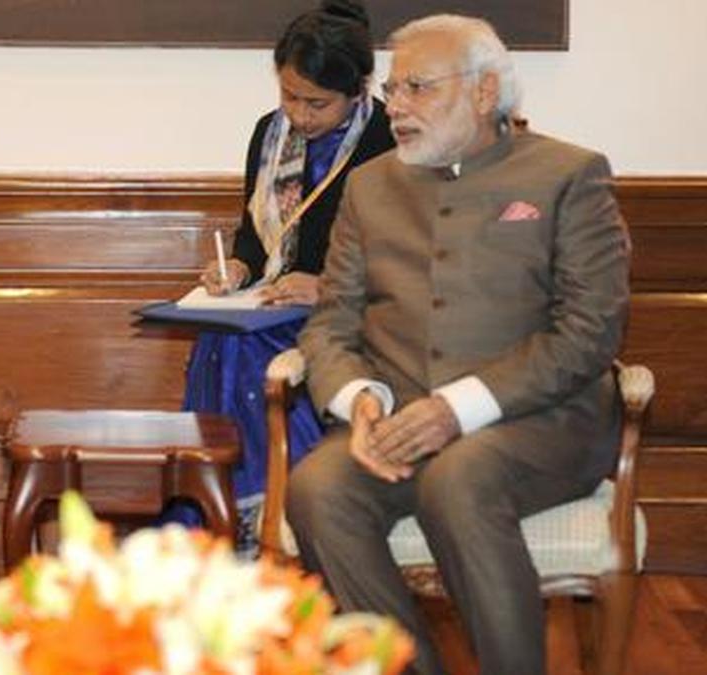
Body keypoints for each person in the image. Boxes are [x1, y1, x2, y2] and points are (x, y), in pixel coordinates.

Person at [285, 14, 630, 675]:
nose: (397, 107)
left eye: (418, 87)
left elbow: (590, 331)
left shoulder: (568, 174)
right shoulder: (370, 185)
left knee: (459, 477)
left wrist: (455, 409)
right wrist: (362, 401)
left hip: (541, 422)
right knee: (319, 488)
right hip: (400, 416)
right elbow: (331, 322)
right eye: (392, 90)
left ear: (483, 90)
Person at [177, 0, 394, 555]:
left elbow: (404, 257)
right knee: (221, 335)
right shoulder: (269, 134)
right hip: (273, 302)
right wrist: (238, 267)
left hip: (353, 311)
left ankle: (272, 513)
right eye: (289, 95)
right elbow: (256, 235)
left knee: (250, 349)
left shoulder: (389, 139)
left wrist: (325, 286)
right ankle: (218, 515)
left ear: (358, 90)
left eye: (316, 102)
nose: (299, 114)